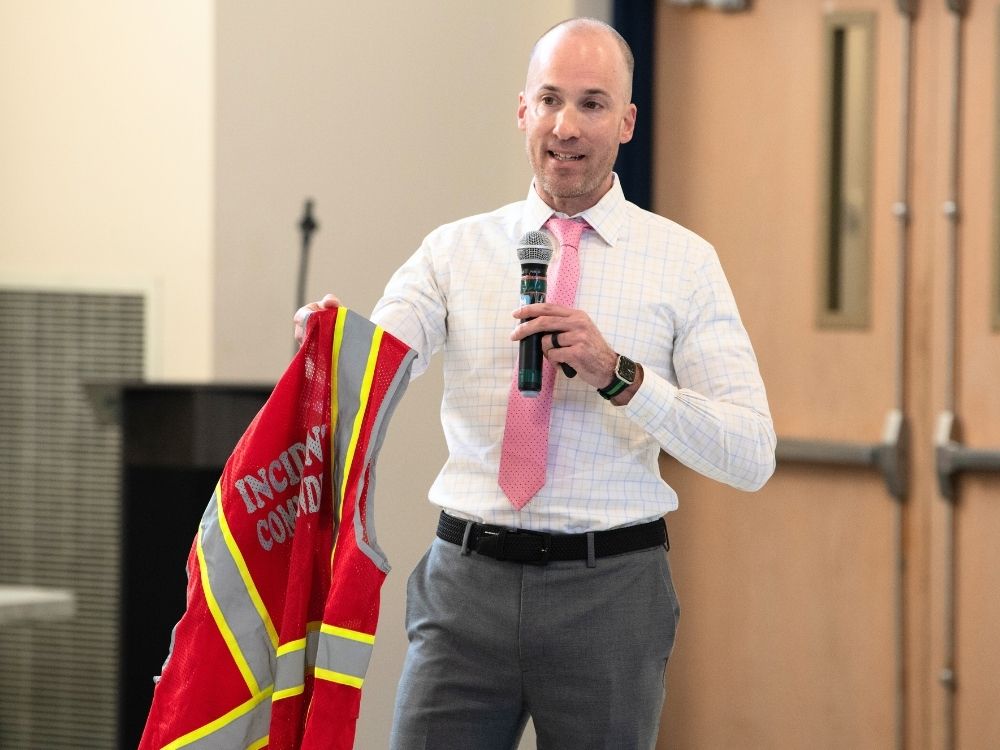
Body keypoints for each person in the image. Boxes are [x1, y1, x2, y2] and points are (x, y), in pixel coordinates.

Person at [294, 17, 775, 750]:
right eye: (549, 100)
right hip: (465, 589)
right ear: (522, 110)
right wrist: (332, 347)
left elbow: (749, 454)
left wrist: (619, 377)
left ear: (627, 121)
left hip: (609, 593)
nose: (566, 125)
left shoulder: (684, 262)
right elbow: (384, 358)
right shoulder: (454, 251)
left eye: (591, 103)